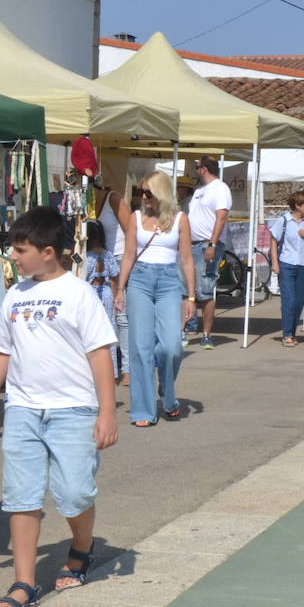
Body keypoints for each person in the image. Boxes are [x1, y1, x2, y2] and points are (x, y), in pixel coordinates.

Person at [0, 206, 117, 607]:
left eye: (20, 249)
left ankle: (82, 546)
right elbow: (2, 354)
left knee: (75, 492)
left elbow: (100, 354)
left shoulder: (79, 293)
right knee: (21, 496)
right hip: (23, 411)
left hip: (74, 411)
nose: (13, 256)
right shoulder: (15, 295)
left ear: (48, 251)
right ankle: (24, 583)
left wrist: (107, 413)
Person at [115, 171, 197, 428]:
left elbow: (186, 260)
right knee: (141, 348)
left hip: (169, 282)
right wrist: (120, 288)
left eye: (147, 192)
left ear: (161, 192)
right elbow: (128, 255)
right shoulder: (135, 217)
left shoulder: (180, 219)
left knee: (171, 346)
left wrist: (191, 297)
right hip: (139, 280)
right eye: (141, 192)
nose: (143, 197)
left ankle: (168, 395)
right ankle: (142, 410)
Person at [184, 156, 231, 350]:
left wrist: (212, 244)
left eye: (197, 168)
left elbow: (221, 218)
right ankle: (183, 330)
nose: (195, 171)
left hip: (206, 245)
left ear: (204, 169)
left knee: (205, 289)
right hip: (191, 244)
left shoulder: (220, 189)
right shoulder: (199, 191)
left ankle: (206, 334)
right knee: (185, 289)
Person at [94, 181, 130, 386]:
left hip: (119, 257)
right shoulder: (90, 202)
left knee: (122, 315)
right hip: (100, 260)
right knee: (106, 316)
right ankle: (109, 368)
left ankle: (127, 370)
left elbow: (130, 230)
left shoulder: (113, 198)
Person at [268, 191, 304, 347]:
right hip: (286, 264)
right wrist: (275, 263)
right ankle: (287, 334)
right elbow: (273, 241)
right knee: (289, 300)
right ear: (297, 205)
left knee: (299, 301)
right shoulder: (284, 221)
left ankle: (291, 332)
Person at [82, 221, 121, 380]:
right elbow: (113, 279)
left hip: (91, 291)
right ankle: (111, 371)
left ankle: (91, 371)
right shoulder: (109, 255)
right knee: (109, 331)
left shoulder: (86, 256)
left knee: (89, 331)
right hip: (106, 292)